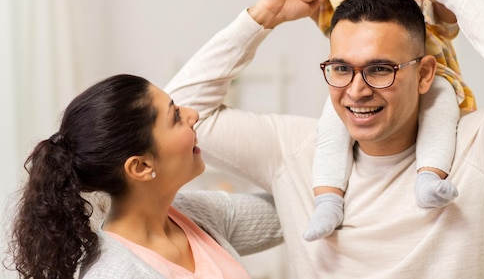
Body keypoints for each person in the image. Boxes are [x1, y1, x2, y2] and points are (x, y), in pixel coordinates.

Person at [165, 0, 484, 278]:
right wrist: (264, 16)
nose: (357, 91)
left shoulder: (478, 151)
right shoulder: (292, 152)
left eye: (380, 69)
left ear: (424, 75)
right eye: (341, 68)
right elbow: (179, 109)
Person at [294, 0, 477, 241]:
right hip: (365, 75)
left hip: (430, 69)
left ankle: (429, 175)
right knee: (330, 126)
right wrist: (311, 0)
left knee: (440, 113)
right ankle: (328, 199)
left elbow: (447, 23)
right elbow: (333, 27)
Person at [5, 74, 282, 279]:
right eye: (175, 116)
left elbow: (297, 206)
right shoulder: (116, 274)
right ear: (140, 167)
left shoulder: (196, 215)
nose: (194, 114)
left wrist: (260, 17)